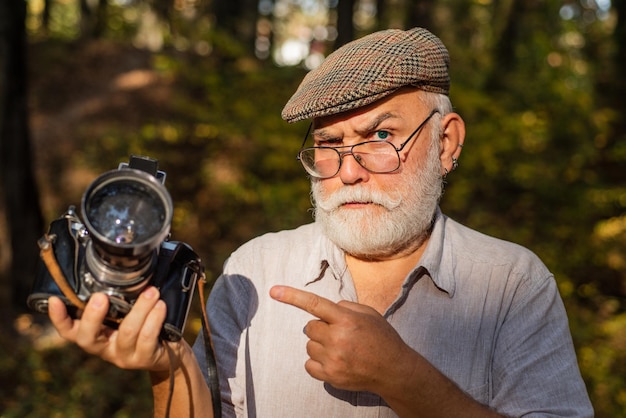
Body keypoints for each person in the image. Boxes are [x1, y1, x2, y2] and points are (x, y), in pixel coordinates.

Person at [48, 27, 594, 417]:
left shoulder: (513, 283)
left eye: (380, 138)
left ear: (446, 142)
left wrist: (402, 378)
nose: (349, 171)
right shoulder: (255, 270)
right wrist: (166, 367)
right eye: (329, 145)